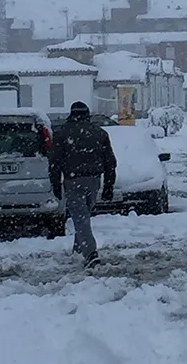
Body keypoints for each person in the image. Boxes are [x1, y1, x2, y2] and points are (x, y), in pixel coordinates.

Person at [49, 101, 117, 269]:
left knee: (81, 218)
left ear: (71, 114)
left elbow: (55, 162)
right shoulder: (99, 133)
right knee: (83, 217)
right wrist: (109, 185)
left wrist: (56, 183)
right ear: (87, 114)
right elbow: (110, 162)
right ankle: (79, 250)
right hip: (94, 180)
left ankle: (90, 253)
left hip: (72, 180)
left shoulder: (61, 133)